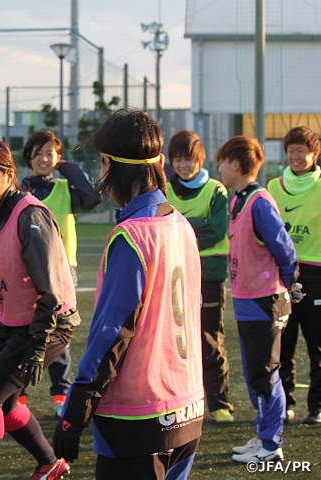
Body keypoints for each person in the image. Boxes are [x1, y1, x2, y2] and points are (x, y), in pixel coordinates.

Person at [52, 109, 204, 480]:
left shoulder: (133, 236)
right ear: (161, 164)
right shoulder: (180, 225)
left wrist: (75, 412)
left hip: (138, 416)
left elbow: (112, 334)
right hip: (187, 407)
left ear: (108, 165)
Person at [0, 138, 80, 480]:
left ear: (9, 175)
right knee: (6, 405)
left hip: (49, 323)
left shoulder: (31, 217)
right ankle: (50, 464)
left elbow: (50, 294)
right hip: (12, 320)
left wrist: (38, 348)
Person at [216, 135, 300, 463]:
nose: (219, 168)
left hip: (265, 299)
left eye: (222, 162)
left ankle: (270, 444)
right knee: (257, 374)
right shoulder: (238, 199)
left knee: (266, 374)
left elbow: (284, 248)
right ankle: (264, 435)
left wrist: (289, 283)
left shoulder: (259, 202)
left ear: (236, 165)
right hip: (247, 299)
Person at [18, 129, 100, 417]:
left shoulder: (66, 189)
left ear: (58, 158)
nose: (44, 158)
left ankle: (60, 394)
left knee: (58, 332)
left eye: (50, 153)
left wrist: (69, 168)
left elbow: (92, 198)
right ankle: (19, 395)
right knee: (24, 331)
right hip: (26, 270)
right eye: (38, 153)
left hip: (64, 271)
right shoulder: (20, 190)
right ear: (28, 157)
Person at [166, 129, 235, 423]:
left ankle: (219, 404)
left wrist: (179, 227)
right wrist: (196, 224)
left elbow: (216, 230)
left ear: (200, 159)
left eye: (189, 159)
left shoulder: (216, 190)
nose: (184, 165)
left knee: (209, 340)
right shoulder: (164, 189)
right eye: (178, 159)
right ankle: (179, 402)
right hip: (172, 277)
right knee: (174, 343)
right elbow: (159, 226)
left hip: (209, 276)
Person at [268, 126, 321, 425]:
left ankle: (317, 407)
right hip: (281, 276)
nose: (295, 156)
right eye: (291, 150)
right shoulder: (274, 187)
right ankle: (286, 403)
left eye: (301, 150)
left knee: (317, 346)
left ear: (314, 154)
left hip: (316, 275)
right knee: (283, 345)